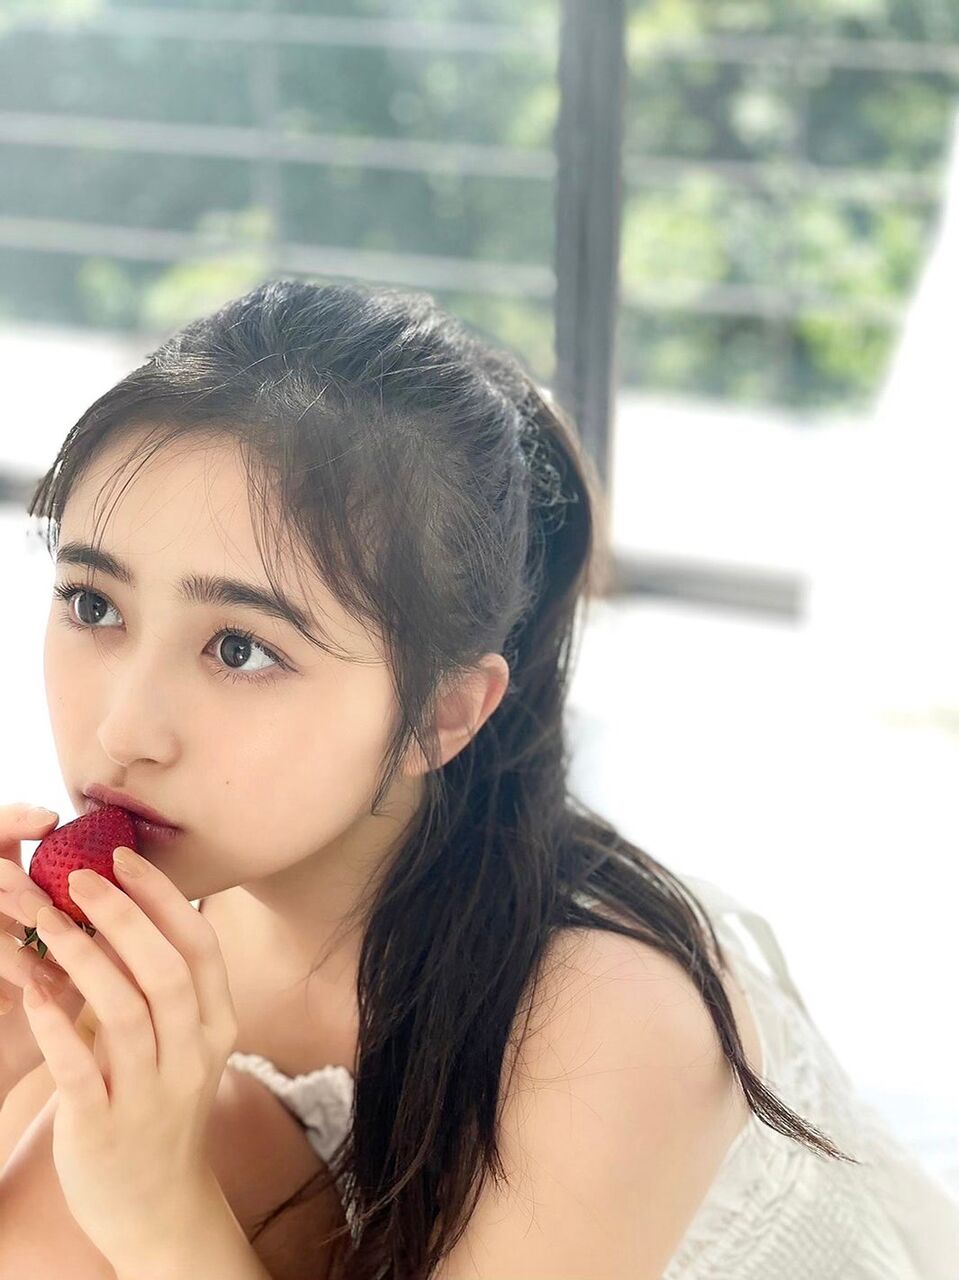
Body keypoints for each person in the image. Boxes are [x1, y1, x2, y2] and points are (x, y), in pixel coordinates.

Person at [3, 278, 958, 1278]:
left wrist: (157, 1216)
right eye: (93, 603)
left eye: (241, 648)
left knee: (104, 1166)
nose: (122, 728)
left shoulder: (605, 1018)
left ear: (441, 712)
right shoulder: (156, 921)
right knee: (76, 1119)